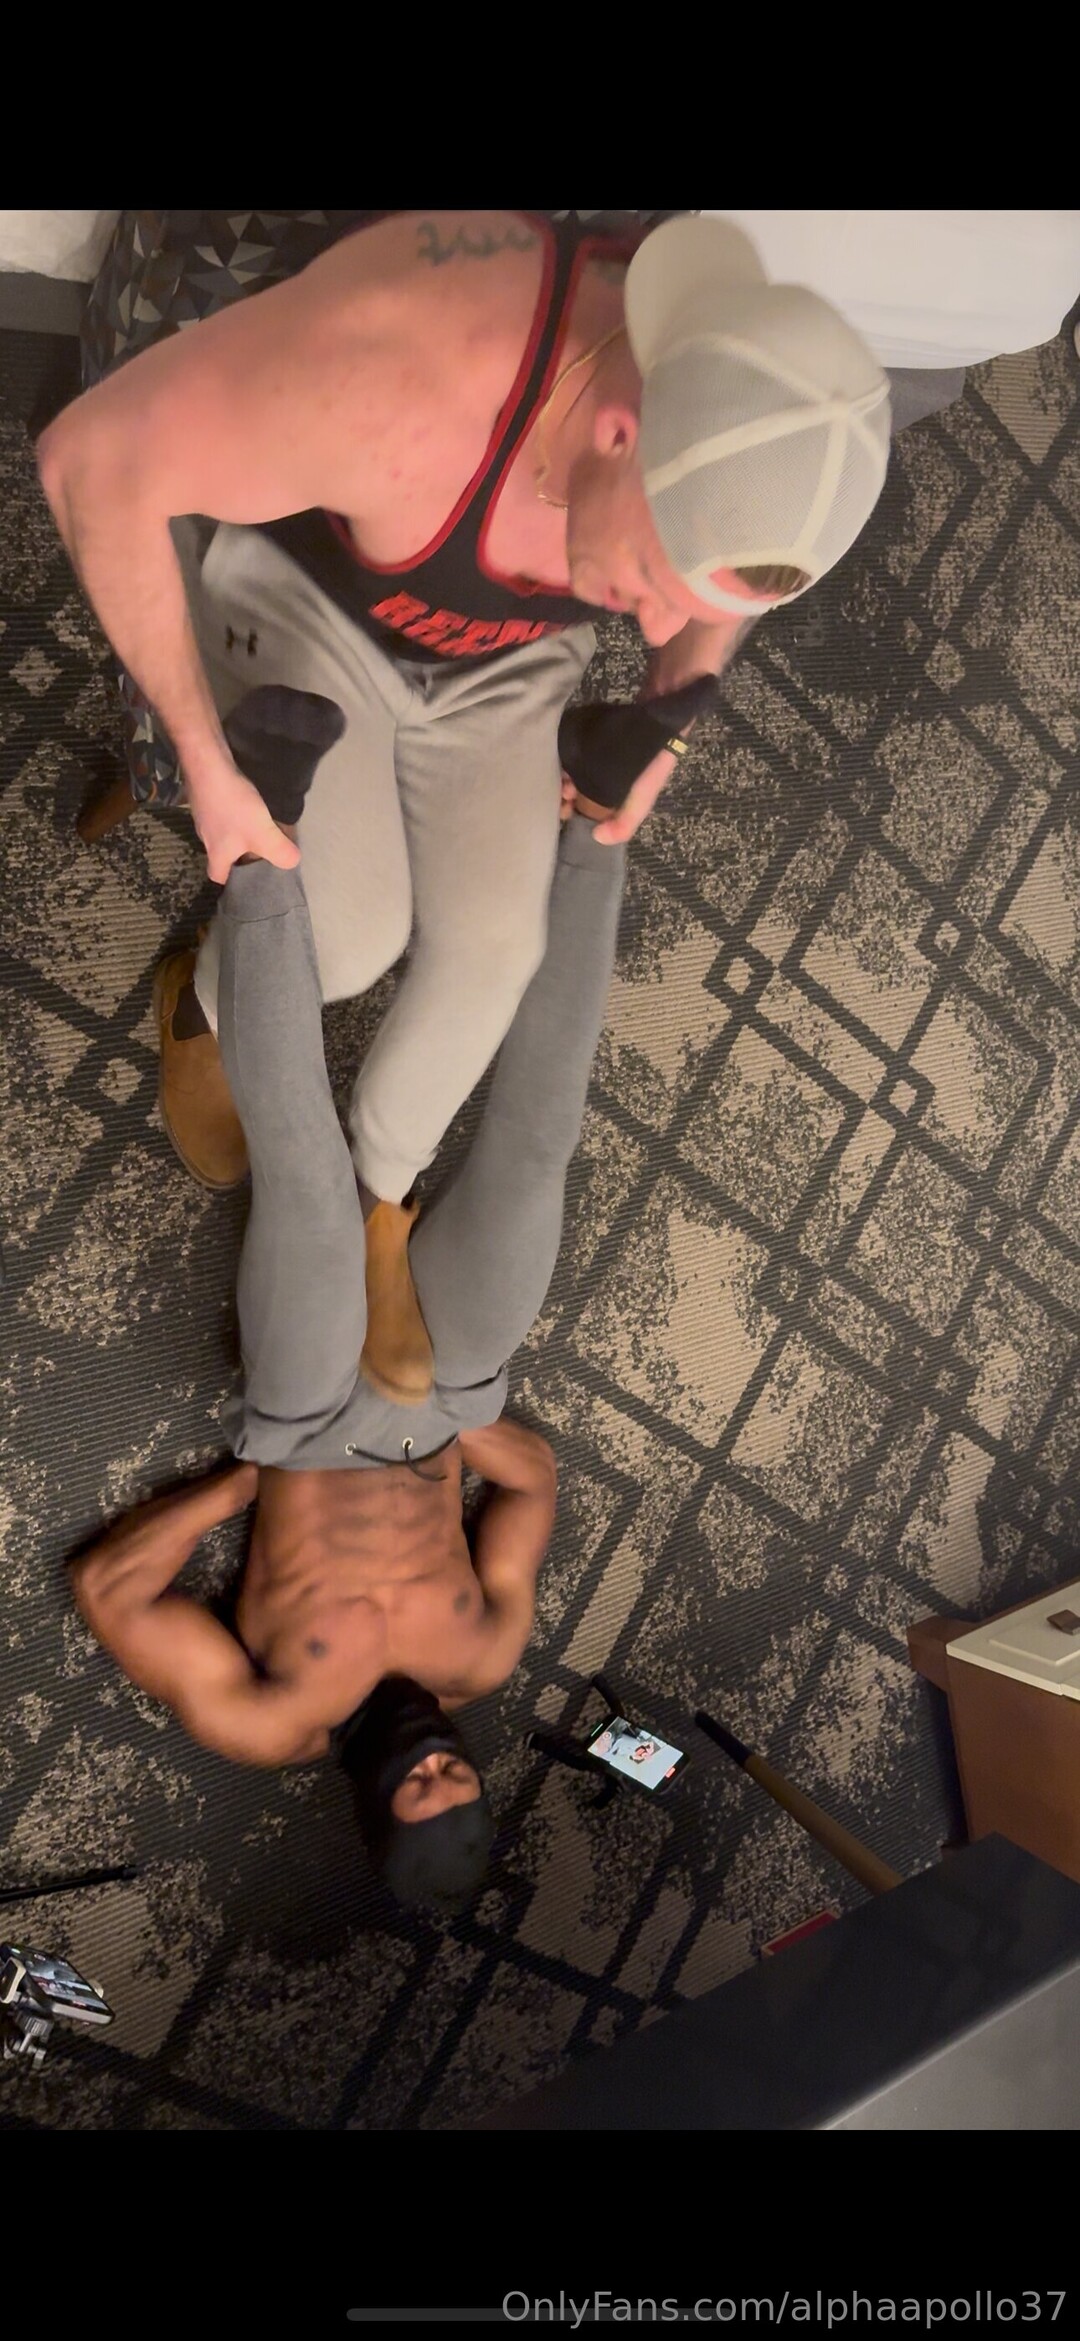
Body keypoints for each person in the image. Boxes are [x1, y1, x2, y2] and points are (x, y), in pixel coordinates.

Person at [37, 209, 893, 1269]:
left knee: (499, 951)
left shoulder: (733, 398)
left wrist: (673, 716)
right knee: (345, 937)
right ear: (619, 433)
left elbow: (725, 584)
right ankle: (201, 1008)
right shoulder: (399, 378)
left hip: (507, 659)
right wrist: (204, 765)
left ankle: (375, 1195)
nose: (658, 627)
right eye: (654, 583)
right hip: (320, 602)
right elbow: (90, 461)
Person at [68, 686, 629, 1911]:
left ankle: (263, 831)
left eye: (415, 1786)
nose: (432, 1758)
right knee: (539, 1147)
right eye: (456, 1774)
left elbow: (110, 1593)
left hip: (307, 1420)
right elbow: (534, 1485)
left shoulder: (273, 1719)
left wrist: (247, 1482)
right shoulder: (484, 1650)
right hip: (445, 1402)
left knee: (310, 1178)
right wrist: (457, 1420)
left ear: (372, 1804)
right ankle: (600, 820)